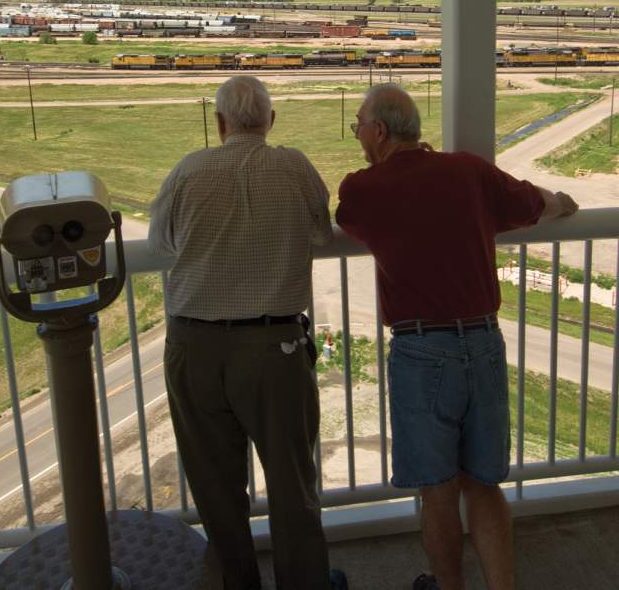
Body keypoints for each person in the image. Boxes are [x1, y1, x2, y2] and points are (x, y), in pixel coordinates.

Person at [335, 84, 578, 590]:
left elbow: (345, 218)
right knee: (484, 486)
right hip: (484, 345)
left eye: (358, 123)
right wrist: (562, 200)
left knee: (439, 491)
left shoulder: (363, 190)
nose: (356, 131)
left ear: (379, 131)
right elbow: (537, 201)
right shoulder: (469, 172)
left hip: (422, 352)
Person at [148, 75, 347, 590]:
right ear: (270, 121)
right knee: (292, 484)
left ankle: (237, 583)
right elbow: (321, 233)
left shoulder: (188, 170)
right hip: (273, 350)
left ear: (219, 124)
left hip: (194, 349)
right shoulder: (295, 166)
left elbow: (162, 244)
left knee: (215, 487)